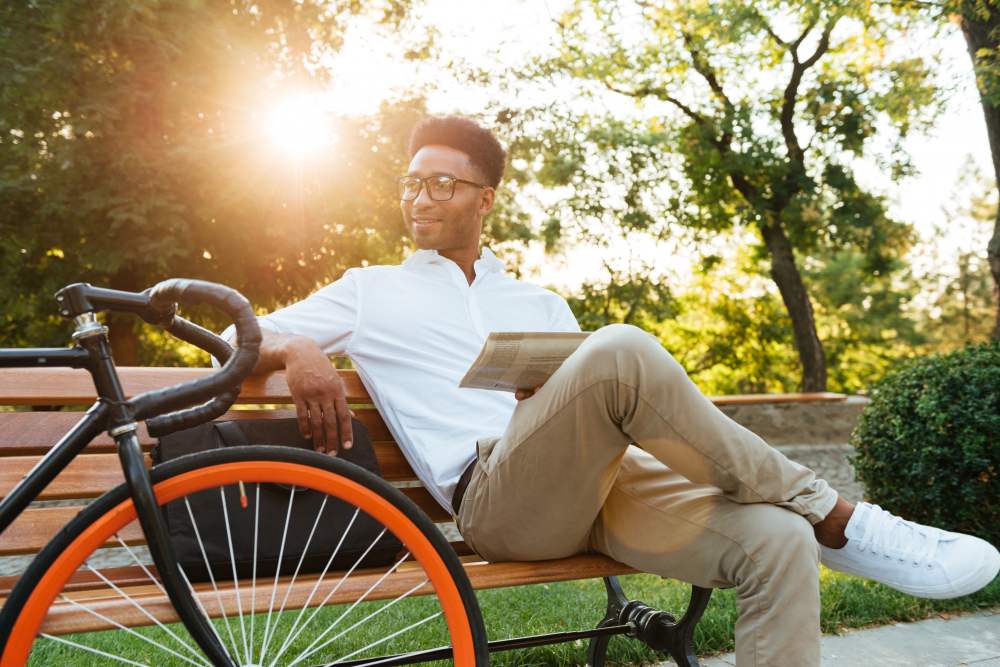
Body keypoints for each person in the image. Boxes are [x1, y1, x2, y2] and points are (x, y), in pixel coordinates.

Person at [224, 115, 1000, 666]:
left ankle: (811, 523)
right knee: (622, 347)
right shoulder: (369, 292)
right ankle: (838, 514)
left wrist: (556, 403)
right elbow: (231, 337)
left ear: (484, 197)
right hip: (497, 501)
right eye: (410, 183)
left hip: (603, 486)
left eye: (442, 184)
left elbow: (608, 401)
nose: (420, 198)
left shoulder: (537, 301)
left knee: (776, 544)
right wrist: (296, 346)